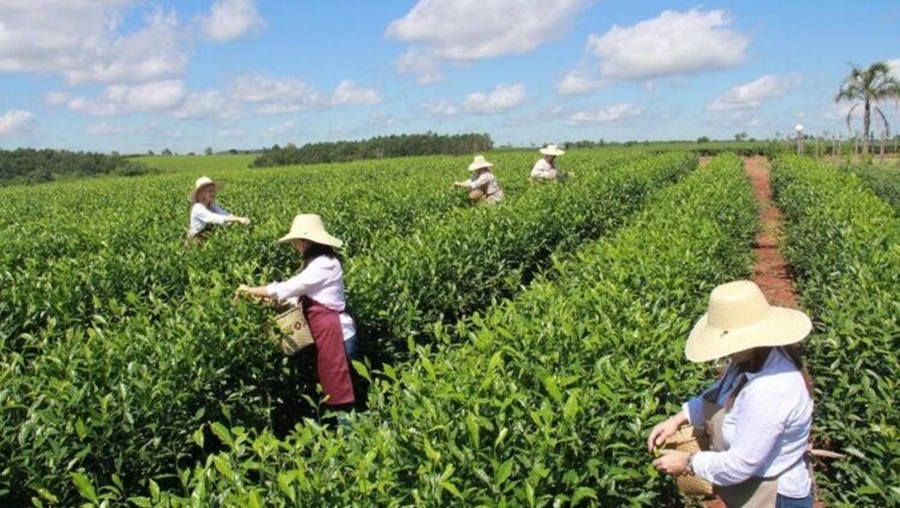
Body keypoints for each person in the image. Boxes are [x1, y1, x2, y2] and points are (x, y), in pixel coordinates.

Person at [648, 280, 815, 507]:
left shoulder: (770, 388)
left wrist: (688, 462)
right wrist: (678, 418)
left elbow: (741, 464)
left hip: (776, 498)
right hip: (752, 489)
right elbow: (719, 394)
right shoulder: (751, 359)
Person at [235, 214, 356, 410]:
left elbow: (287, 288)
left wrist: (250, 290)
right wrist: (265, 300)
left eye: (294, 242)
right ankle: (344, 433)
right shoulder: (316, 263)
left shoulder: (325, 263)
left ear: (303, 242)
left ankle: (350, 435)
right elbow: (294, 296)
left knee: (340, 396)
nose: (294, 247)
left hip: (339, 336)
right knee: (334, 392)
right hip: (329, 336)